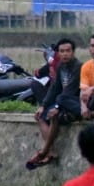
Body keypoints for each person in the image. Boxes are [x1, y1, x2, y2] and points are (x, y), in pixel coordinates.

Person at [28, 39, 82, 170]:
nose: (65, 54)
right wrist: (43, 106)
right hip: (62, 101)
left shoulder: (79, 67)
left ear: (73, 52)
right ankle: (51, 151)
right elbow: (55, 88)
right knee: (40, 116)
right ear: (58, 53)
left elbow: (71, 90)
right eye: (62, 51)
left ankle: (44, 152)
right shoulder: (60, 67)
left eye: (68, 51)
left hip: (74, 104)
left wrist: (57, 107)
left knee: (54, 115)